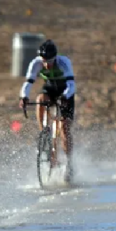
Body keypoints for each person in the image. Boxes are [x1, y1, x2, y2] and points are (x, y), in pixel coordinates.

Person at [19, 39, 76, 183]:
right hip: (50, 90)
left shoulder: (64, 62)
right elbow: (28, 82)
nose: (46, 64)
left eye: (49, 61)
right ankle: (44, 132)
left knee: (64, 129)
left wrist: (65, 96)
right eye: (44, 61)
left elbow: (71, 84)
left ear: (55, 58)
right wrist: (24, 97)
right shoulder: (35, 63)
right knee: (40, 99)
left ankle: (69, 162)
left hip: (65, 92)